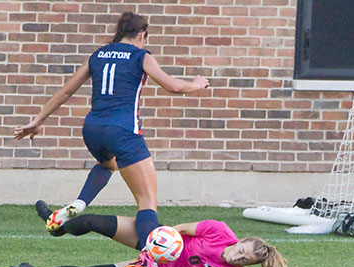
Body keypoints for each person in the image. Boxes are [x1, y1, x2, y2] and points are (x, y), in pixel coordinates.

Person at [13, 11, 209, 249]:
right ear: (142, 34)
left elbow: (66, 92)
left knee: (108, 164)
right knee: (147, 201)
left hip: (93, 129)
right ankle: (151, 261)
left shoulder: (98, 54)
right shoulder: (141, 55)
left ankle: (78, 205)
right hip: (123, 131)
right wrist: (197, 85)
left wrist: (37, 120)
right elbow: (172, 86)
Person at [5, 201, 295, 267]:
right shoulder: (220, 231)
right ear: (240, 240)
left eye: (244, 261)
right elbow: (180, 229)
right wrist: (160, 240)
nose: (237, 258)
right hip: (156, 239)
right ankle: (56, 226)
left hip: (155, 265)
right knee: (91, 221)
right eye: (241, 251)